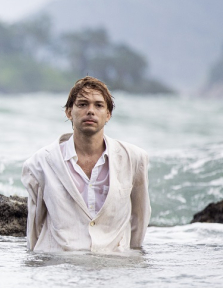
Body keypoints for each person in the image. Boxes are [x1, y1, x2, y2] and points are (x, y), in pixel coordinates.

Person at [21, 76, 150, 253]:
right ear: (68, 112)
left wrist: (132, 258)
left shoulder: (133, 158)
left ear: (108, 115)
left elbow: (140, 217)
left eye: (98, 105)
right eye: (82, 104)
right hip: (58, 265)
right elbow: (35, 224)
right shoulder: (40, 162)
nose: (90, 111)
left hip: (113, 265)